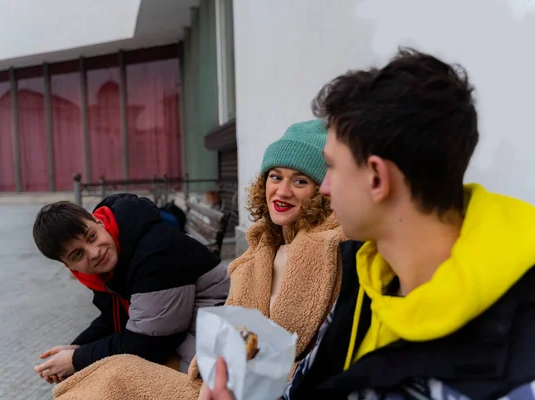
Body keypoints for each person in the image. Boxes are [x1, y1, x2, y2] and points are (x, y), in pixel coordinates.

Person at [206, 48, 535, 400]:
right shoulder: (367, 275)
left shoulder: (517, 368)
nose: (325, 187)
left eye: (332, 167)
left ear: (377, 177)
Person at [51, 120, 348, 400]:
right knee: (103, 378)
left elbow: (329, 350)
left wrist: (76, 356)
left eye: (299, 181)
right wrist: (78, 349)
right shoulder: (262, 248)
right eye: (275, 176)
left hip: (269, 387)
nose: (282, 191)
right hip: (224, 375)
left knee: (116, 377)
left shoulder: (334, 250)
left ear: (322, 191)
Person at [31, 193, 230, 384]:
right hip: (182, 332)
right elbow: (113, 317)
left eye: (91, 237)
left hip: (217, 331)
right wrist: (77, 346)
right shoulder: (107, 265)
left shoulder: (155, 252)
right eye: (77, 255)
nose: (94, 253)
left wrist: (75, 359)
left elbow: (149, 344)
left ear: (100, 223)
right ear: (69, 266)